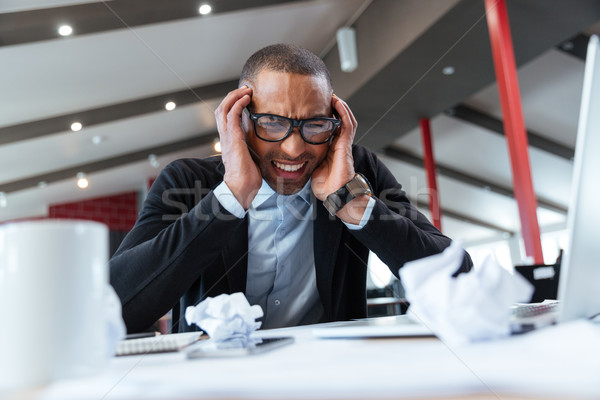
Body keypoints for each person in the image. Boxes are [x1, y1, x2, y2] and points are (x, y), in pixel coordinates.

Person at [109, 43, 472, 334]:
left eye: (314, 125)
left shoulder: (357, 173)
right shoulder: (186, 181)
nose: (295, 149)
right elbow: (115, 309)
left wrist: (352, 205)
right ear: (241, 119)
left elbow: (459, 279)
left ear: (335, 122)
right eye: (272, 123)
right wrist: (230, 198)